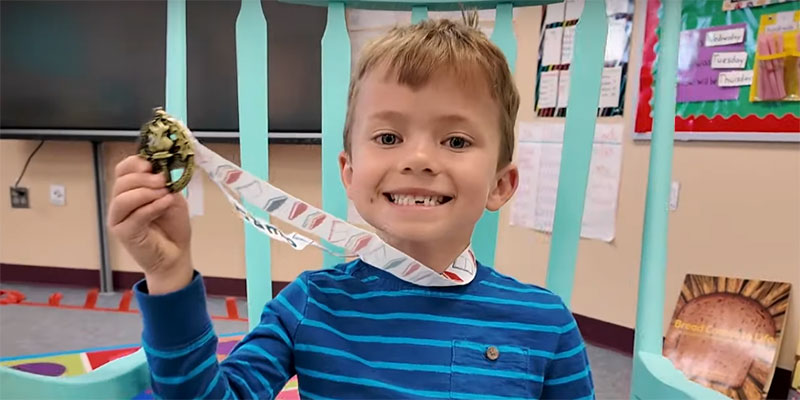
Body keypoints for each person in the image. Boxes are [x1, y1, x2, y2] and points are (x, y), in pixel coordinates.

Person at [108, 17, 594, 400]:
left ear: (501, 183)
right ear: (349, 173)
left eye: (456, 140)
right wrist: (169, 273)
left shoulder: (544, 323)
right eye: (388, 137)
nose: (419, 159)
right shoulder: (309, 306)